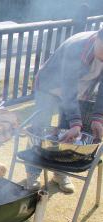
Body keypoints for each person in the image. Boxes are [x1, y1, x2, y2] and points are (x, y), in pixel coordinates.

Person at [26, 28, 103, 193]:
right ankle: (33, 172)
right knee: (39, 127)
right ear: (97, 38)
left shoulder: (98, 47)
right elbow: (68, 88)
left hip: (79, 90)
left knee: (69, 132)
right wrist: (77, 121)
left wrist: (98, 117)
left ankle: (60, 174)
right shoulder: (77, 47)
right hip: (51, 85)